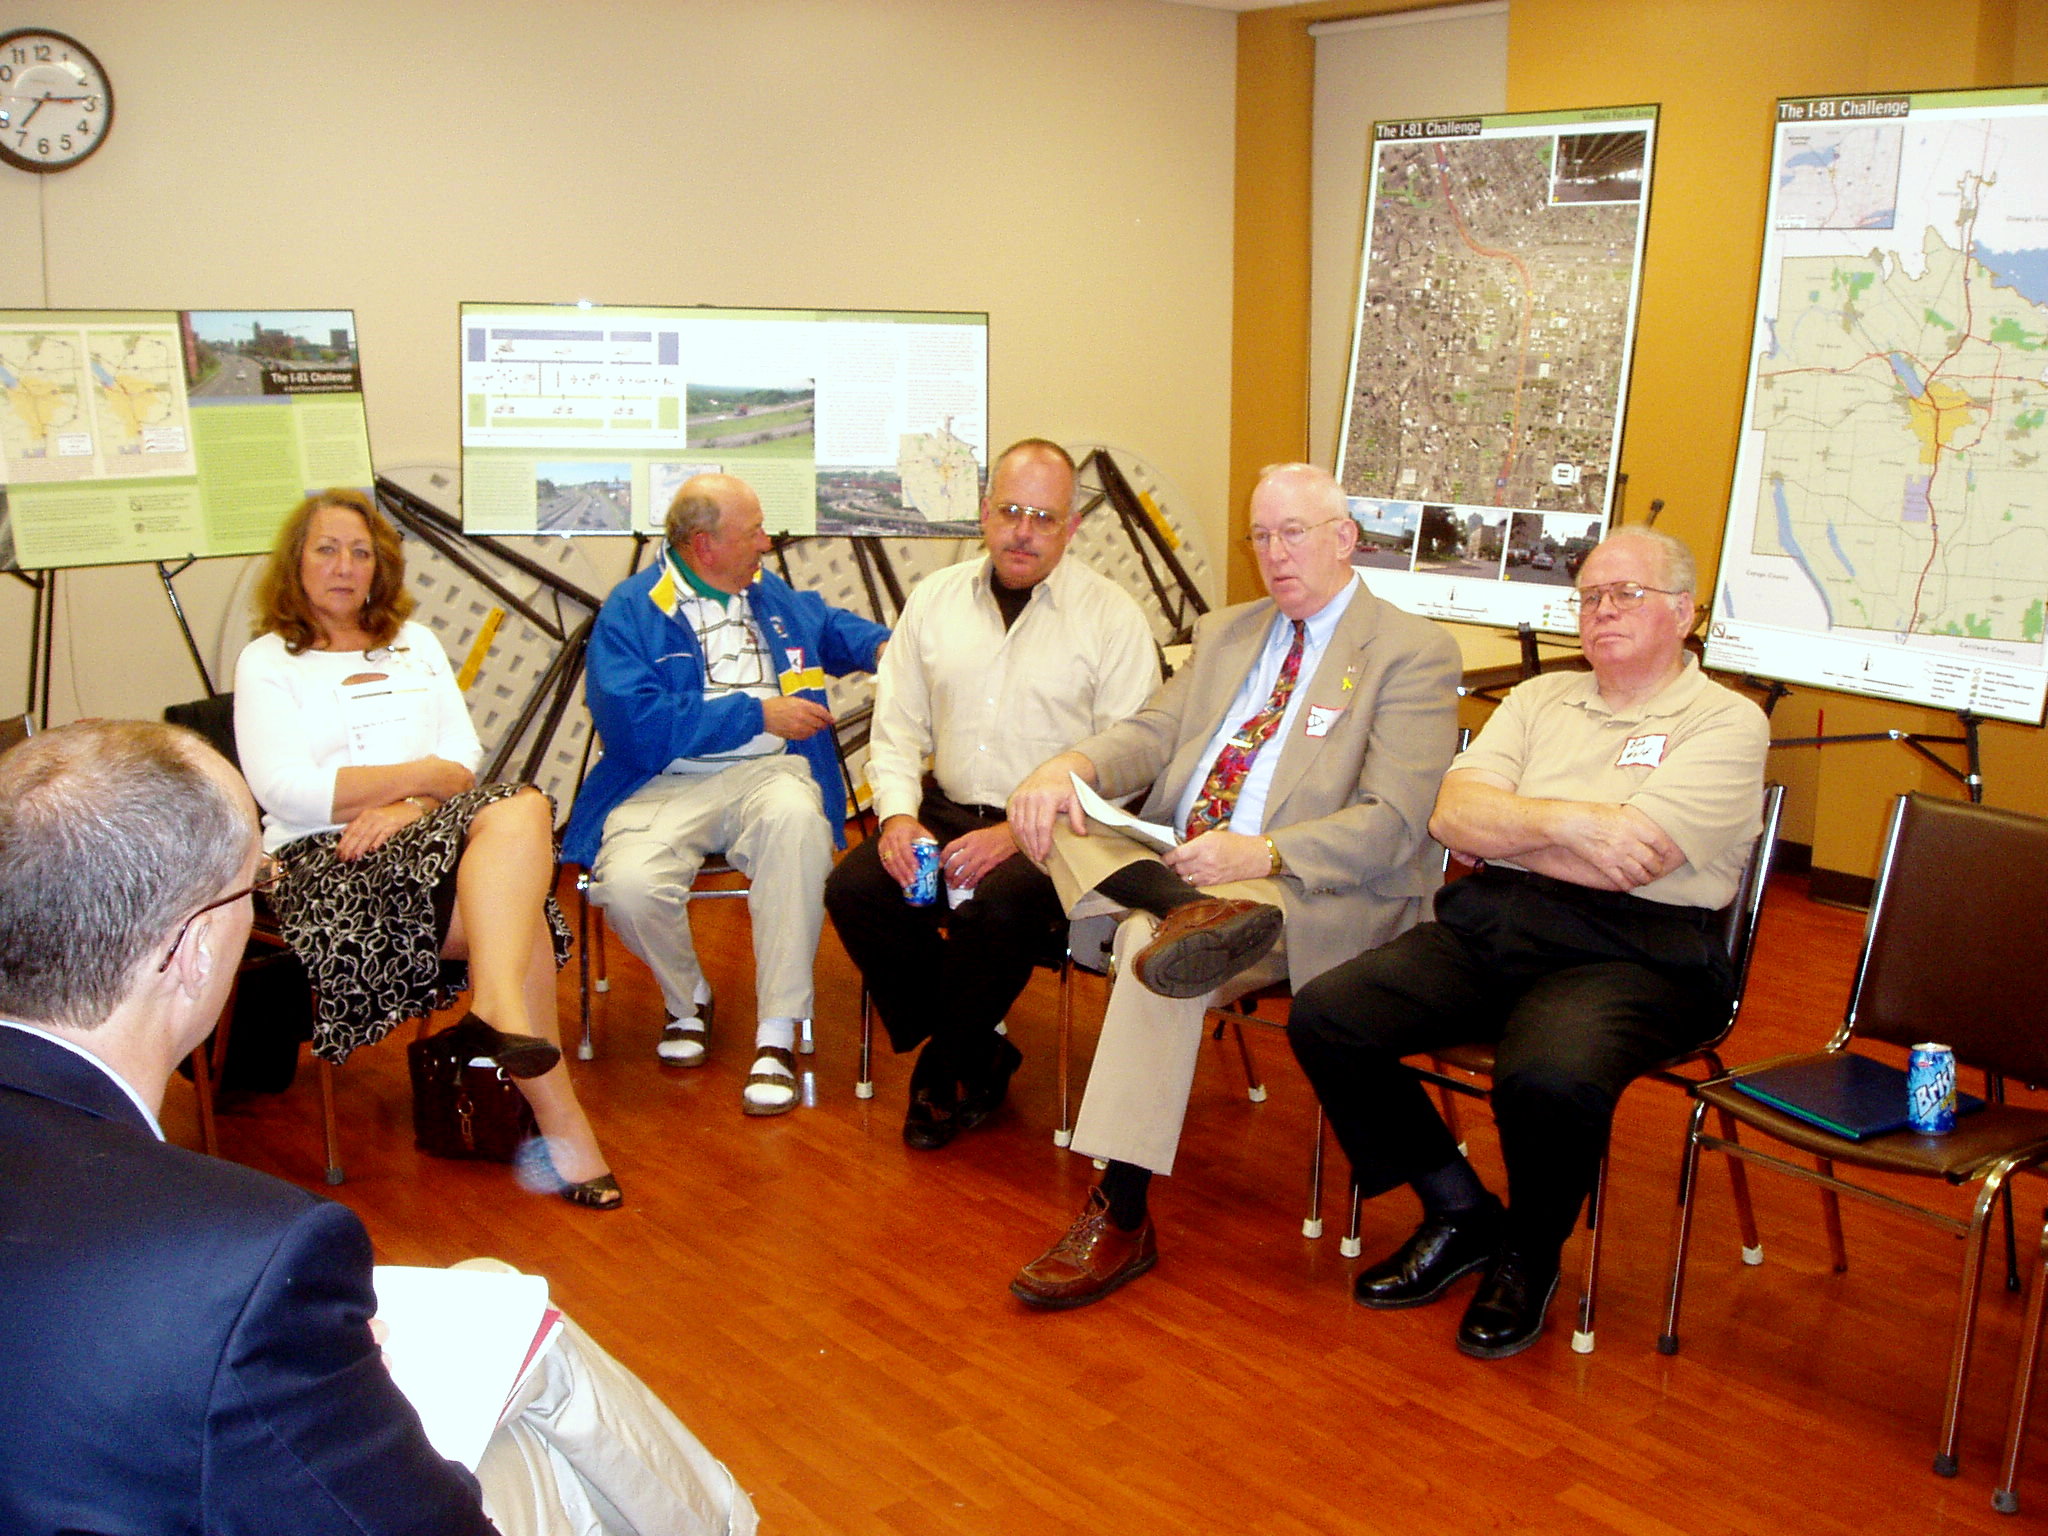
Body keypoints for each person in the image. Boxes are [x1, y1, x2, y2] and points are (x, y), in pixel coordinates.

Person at [0, 719, 756, 1536]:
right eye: (244, 884)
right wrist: (327, 1382)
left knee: (502, 1299)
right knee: (536, 1362)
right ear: (189, 950)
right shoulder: (249, 1261)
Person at [1287, 525, 1769, 1360]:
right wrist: (1581, 824)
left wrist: (1511, 828)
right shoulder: (1542, 698)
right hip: (1502, 921)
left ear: (1685, 613)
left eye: (1627, 594)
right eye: (1589, 596)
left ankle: (1529, 1253)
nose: (1602, 611)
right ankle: (1459, 1210)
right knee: (1331, 1013)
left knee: (1545, 1074)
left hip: (1642, 952)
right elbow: (1450, 817)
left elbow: (1637, 861)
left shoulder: (1726, 722)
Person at [1004, 461, 1462, 1308]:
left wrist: (1264, 853)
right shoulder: (1228, 633)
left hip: (1315, 888)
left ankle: (1123, 1212)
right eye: (1261, 536)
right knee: (1060, 815)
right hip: (1193, 866)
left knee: (1148, 945)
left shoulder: (1410, 651)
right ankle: (1187, 909)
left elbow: (1395, 822)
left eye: (1293, 534)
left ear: (1344, 539)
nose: (1274, 555)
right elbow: (1152, 731)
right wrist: (1069, 766)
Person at [235, 489, 618, 1208]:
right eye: (327, 549)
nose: (345, 566)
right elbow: (287, 790)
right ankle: (551, 1103)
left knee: (521, 805)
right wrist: (419, 781)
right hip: (328, 859)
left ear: (380, 567)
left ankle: (508, 1024)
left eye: (360, 552)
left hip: (423, 830)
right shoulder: (268, 660)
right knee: (521, 903)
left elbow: (463, 760)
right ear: (296, 563)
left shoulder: (416, 642)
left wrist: (409, 805)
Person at [823, 439, 1159, 1149]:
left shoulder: (1112, 618)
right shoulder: (934, 602)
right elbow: (895, 730)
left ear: (1071, 528)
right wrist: (899, 819)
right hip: (943, 814)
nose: (1024, 531)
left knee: (998, 908)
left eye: (1044, 516)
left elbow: (1130, 766)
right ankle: (976, 1047)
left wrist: (1016, 833)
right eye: (1011, 511)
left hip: (1062, 832)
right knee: (858, 889)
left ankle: (945, 1066)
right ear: (985, 513)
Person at [563, 473, 888, 1114]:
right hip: (659, 782)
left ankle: (777, 1034)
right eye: (754, 531)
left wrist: (896, 648)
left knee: (799, 821)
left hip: (769, 777)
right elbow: (636, 724)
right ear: (704, 544)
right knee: (627, 889)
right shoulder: (630, 611)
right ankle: (688, 1000)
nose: (767, 542)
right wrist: (757, 715)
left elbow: (840, 631)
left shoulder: (772, 597)